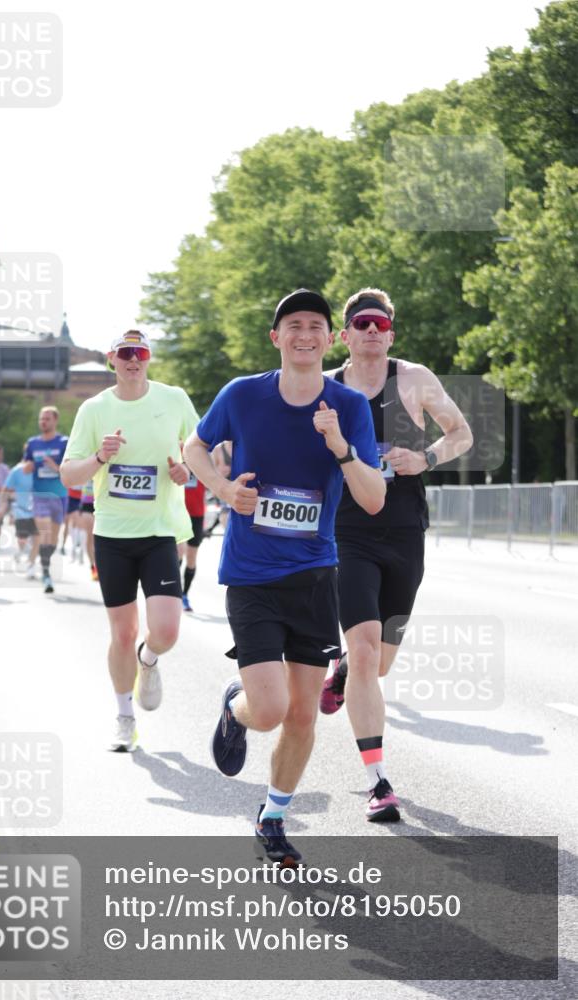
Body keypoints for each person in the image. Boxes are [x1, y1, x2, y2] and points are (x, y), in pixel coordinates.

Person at [184, 289, 385, 865]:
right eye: (293, 324)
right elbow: (195, 446)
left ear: (331, 339)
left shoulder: (349, 406)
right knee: (269, 710)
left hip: (315, 576)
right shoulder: (242, 395)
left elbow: (373, 498)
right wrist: (223, 490)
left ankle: (272, 816)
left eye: (315, 325)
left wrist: (340, 447)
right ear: (276, 337)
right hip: (251, 574)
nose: (304, 334)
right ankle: (237, 707)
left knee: (302, 712)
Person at [320, 287, 473, 822]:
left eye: (380, 324)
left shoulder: (414, 379)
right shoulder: (326, 387)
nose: (371, 331)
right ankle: (378, 781)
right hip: (346, 532)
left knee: (378, 663)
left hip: (404, 530)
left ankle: (341, 672)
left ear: (391, 334)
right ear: (345, 335)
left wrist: (425, 456)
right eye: (362, 323)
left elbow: (461, 433)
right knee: (365, 653)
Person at [60, 329, 199, 753]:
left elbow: (201, 451)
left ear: (149, 357)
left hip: (159, 532)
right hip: (113, 535)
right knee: (122, 633)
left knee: (166, 631)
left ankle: (149, 658)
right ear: (112, 359)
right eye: (125, 353)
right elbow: (68, 475)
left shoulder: (174, 399)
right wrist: (100, 457)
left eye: (140, 352)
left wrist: (187, 471)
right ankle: (125, 718)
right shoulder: (94, 409)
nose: (133, 359)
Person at [22, 406, 69, 594]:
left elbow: (70, 469)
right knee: (44, 531)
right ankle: (46, 573)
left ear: (55, 420)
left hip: (59, 496)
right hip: (39, 495)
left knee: (53, 538)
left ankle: (46, 564)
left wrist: (55, 467)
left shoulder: (64, 442)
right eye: (41, 418)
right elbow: (26, 464)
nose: (43, 422)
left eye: (47, 419)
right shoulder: (32, 443)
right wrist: (27, 467)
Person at [0, 454, 39, 578]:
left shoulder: (40, 471)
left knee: (37, 538)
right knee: (22, 539)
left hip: (38, 511)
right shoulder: (16, 471)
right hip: (21, 510)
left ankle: (31, 566)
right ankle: (20, 551)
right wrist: (2, 506)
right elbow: (6, 489)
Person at [178, 472, 206, 611]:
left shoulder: (202, 459)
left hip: (197, 514)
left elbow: (219, 470)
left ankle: (184, 595)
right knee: (178, 552)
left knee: (191, 558)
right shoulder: (176, 459)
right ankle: (174, 592)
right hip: (177, 512)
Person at [203, 442, 232, 538]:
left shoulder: (242, 447)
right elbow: (211, 472)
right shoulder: (218, 449)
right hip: (224, 490)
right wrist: (221, 473)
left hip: (240, 488)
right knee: (225, 517)